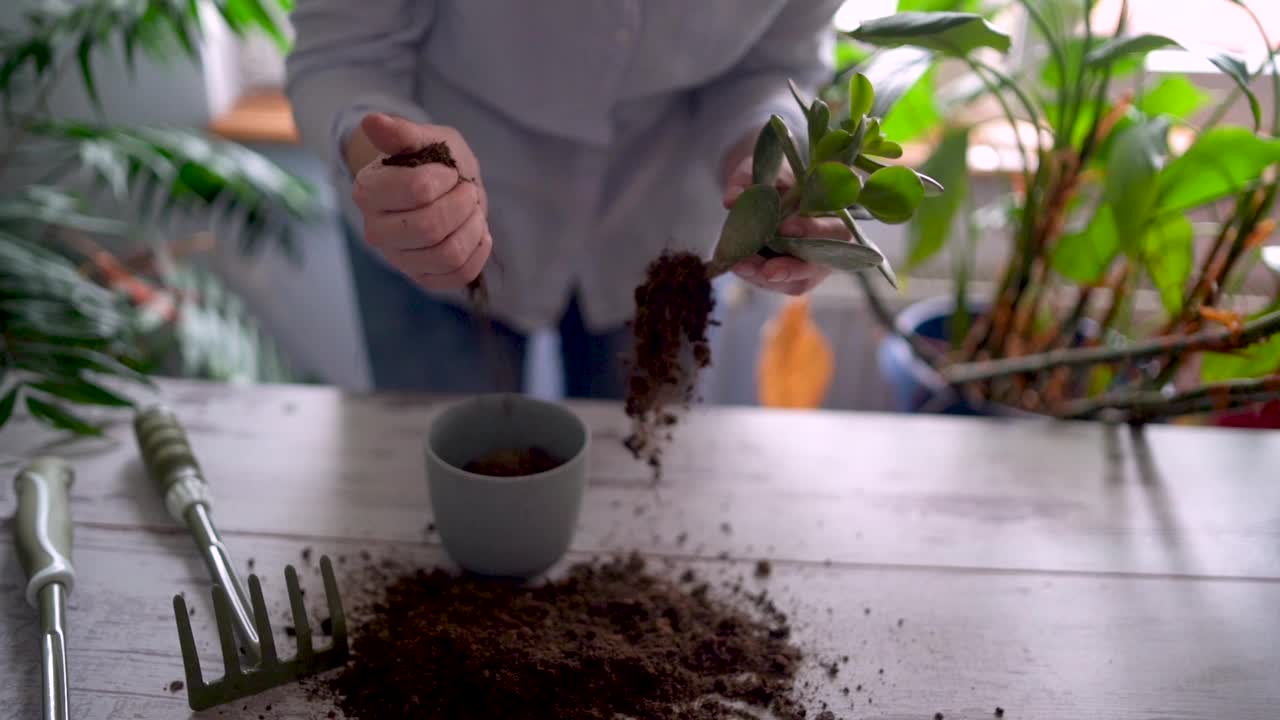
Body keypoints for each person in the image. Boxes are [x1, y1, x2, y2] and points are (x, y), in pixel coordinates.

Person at [285, 0, 853, 398]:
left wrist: (769, 164)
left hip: (665, 223)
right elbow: (343, 53)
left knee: (640, 498)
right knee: (430, 498)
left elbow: (773, 66)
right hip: (429, 214)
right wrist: (390, 159)